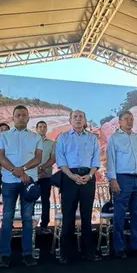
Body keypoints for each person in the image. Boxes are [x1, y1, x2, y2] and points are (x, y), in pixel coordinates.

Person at [0, 106, 43, 268]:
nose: (21, 117)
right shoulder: (4, 136)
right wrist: (14, 170)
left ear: (28, 117)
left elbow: (38, 159)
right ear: (13, 118)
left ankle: (27, 254)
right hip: (9, 182)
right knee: (7, 218)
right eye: (18, 115)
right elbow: (0, 157)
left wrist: (21, 170)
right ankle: (4, 255)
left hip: (28, 181)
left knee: (28, 219)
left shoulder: (36, 137)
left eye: (24, 115)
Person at [55, 110, 101, 263]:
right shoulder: (63, 137)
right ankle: (65, 254)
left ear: (85, 120)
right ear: (70, 120)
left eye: (81, 117)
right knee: (68, 217)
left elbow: (96, 160)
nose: (78, 119)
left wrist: (89, 175)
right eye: (75, 117)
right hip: (69, 178)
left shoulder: (92, 138)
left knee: (87, 217)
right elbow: (61, 160)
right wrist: (72, 176)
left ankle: (89, 253)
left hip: (88, 177)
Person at [107, 111, 137, 258]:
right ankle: (119, 248)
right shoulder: (114, 138)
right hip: (122, 179)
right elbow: (110, 160)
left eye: (131, 119)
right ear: (119, 122)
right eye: (126, 119)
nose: (129, 121)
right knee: (119, 214)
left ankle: (136, 246)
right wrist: (113, 179)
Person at [36, 120, 56, 235]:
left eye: (44, 126)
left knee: (45, 201)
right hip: (32, 176)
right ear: (36, 129)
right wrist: (35, 171)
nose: (42, 128)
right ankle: (29, 224)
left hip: (46, 176)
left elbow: (53, 159)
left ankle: (44, 225)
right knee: (30, 200)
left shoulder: (52, 143)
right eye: (40, 127)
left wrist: (42, 168)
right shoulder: (31, 142)